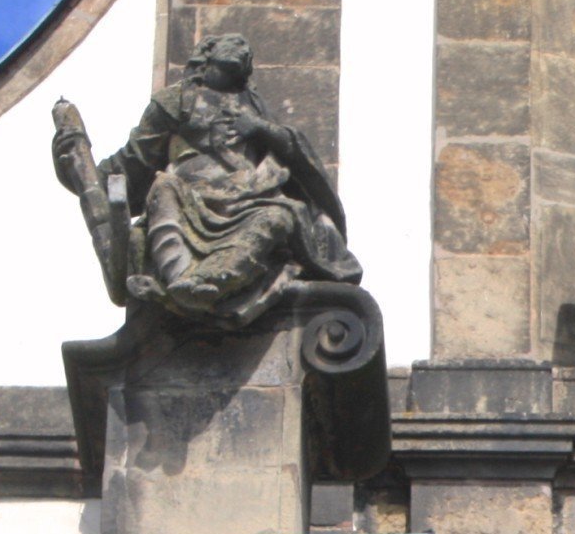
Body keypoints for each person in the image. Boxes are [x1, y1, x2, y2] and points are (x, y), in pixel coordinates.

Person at [56, 33, 360, 324]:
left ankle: (212, 279)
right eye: (232, 45)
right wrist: (73, 165)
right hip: (188, 199)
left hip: (249, 200)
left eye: (244, 49)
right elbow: (130, 164)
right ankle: (180, 279)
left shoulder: (252, 107)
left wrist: (259, 128)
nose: (242, 46)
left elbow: (294, 152)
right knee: (163, 187)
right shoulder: (174, 102)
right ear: (206, 56)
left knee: (281, 215)